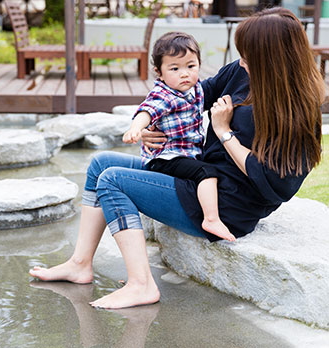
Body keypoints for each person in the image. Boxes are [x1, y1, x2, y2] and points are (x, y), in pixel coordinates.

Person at [30, 7, 324, 310]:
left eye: (248, 55)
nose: (241, 61)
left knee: (112, 181)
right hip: (198, 174)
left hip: (228, 206)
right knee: (100, 164)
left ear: (271, 59)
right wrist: (153, 124)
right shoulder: (242, 73)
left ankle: (140, 284)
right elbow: (196, 93)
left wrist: (224, 132)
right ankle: (80, 264)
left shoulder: (296, 112)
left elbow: (279, 185)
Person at [123, 31, 236, 242]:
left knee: (202, 169)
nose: (184, 74)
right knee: (207, 172)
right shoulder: (164, 94)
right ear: (159, 72)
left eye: (190, 66)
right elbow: (147, 110)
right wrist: (136, 128)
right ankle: (211, 219)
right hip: (165, 158)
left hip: (185, 155)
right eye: (175, 69)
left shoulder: (196, 90)